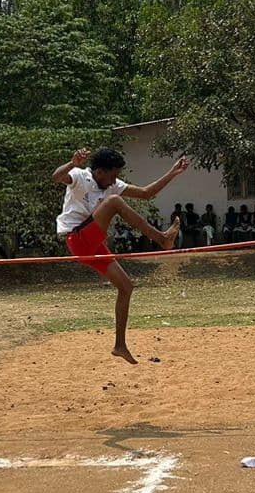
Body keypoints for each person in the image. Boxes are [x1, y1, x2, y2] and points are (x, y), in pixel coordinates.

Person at [52, 146, 188, 363]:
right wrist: (72, 162)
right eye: (113, 176)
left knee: (126, 287)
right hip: (77, 239)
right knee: (114, 202)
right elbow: (57, 176)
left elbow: (146, 193)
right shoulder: (80, 176)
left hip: (93, 243)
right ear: (99, 172)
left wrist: (172, 172)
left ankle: (120, 345)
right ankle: (162, 239)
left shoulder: (112, 185)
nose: (115, 181)